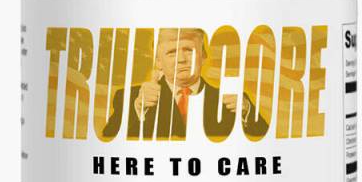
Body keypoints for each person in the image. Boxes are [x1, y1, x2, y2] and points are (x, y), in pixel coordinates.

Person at [102, 29, 265, 140]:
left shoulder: (232, 100)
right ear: (158, 62)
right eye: (171, 52)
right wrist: (138, 110)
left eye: (188, 50)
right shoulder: (129, 99)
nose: (181, 59)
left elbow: (265, 142)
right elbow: (108, 142)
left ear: (203, 55)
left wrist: (246, 112)